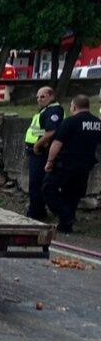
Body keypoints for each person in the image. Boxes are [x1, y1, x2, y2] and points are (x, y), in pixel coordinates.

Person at [43, 94, 101, 234]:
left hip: (65, 164)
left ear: (74, 106)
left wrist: (50, 161)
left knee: (48, 188)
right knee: (73, 194)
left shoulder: (70, 122)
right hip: (85, 166)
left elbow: (57, 143)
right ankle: (66, 225)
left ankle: (66, 216)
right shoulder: (97, 123)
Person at [24, 87, 64, 220]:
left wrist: (37, 145)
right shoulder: (45, 110)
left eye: (42, 96)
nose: (39, 100)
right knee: (36, 184)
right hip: (37, 152)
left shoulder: (54, 111)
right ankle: (37, 211)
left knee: (37, 184)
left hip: (41, 152)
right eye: (37, 97)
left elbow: (51, 132)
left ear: (51, 96)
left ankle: (36, 213)